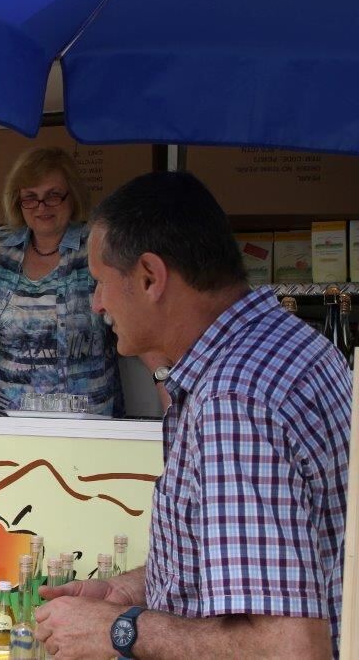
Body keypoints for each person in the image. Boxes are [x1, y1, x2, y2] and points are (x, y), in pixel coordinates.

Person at [35, 172, 350, 658]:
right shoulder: (293, 347)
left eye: (100, 283)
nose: (97, 303)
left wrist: (121, 629)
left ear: (149, 277)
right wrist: (135, 590)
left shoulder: (234, 402)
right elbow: (287, 563)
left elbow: (290, 649)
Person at [0, 147, 122, 415]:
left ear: (73, 195)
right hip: (3, 419)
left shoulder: (97, 246)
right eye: (30, 198)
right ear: (17, 201)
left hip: (83, 421)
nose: (41, 207)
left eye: (53, 196)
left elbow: (132, 320)